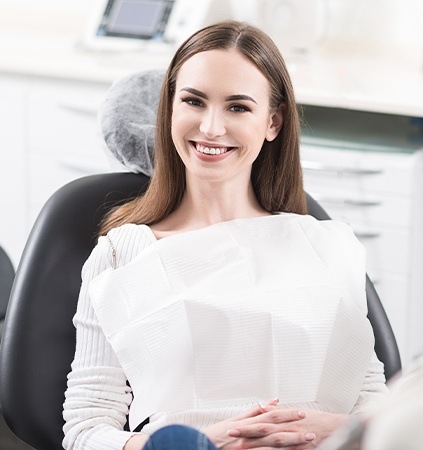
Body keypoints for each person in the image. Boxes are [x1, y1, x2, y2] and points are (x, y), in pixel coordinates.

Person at [62, 20, 388, 450]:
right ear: (170, 109)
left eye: (238, 107)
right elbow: (85, 431)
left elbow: (375, 405)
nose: (212, 128)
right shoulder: (123, 256)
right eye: (194, 101)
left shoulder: (326, 247)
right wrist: (188, 443)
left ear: (273, 122)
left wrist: (332, 428)